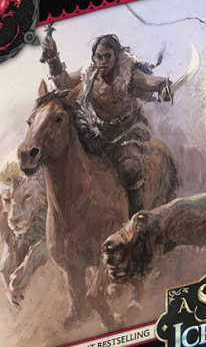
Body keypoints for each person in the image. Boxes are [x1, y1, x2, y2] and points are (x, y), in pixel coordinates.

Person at [42, 33, 172, 218]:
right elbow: (64, 83)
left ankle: (136, 218)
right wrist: (53, 58)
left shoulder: (128, 74)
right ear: (94, 58)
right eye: (99, 56)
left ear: (117, 55)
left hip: (129, 132)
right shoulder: (89, 73)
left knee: (130, 168)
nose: (103, 61)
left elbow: (150, 81)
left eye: (108, 56)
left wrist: (162, 87)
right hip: (100, 134)